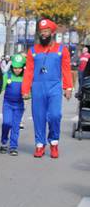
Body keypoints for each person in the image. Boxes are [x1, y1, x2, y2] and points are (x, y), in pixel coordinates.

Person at [22, 18, 72, 158]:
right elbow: (29, 72)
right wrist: (25, 89)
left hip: (54, 86)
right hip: (37, 87)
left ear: (52, 32)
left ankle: (54, 142)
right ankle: (39, 144)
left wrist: (68, 87)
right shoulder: (33, 51)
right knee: (39, 117)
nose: (43, 34)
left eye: (46, 31)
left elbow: (66, 70)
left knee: (55, 115)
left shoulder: (62, 50)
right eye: (42, 31)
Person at [0, 53, 26, 156]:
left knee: (15, 126)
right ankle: (4, 142)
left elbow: (29, 91)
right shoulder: (7, 75)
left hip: (19, 105)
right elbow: (1, 88)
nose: (17, 70)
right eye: (15, 67)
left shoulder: (25, 78)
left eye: (19, 68)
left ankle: (13, 146)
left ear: (23, 67)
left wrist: (28, 96)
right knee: (6, 123)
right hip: (8, 104)